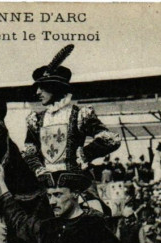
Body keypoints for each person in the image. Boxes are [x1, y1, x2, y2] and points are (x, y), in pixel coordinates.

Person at [22, 44, 121, 212]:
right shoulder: (35, 119)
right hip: (46, 186)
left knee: (97, 214)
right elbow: (30, 151)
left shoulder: (80, 115)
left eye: (42, 87)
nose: (38, 92)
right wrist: (38, 168)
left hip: (78, 185)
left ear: (55, 87)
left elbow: (111, 139)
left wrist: (85, 154)